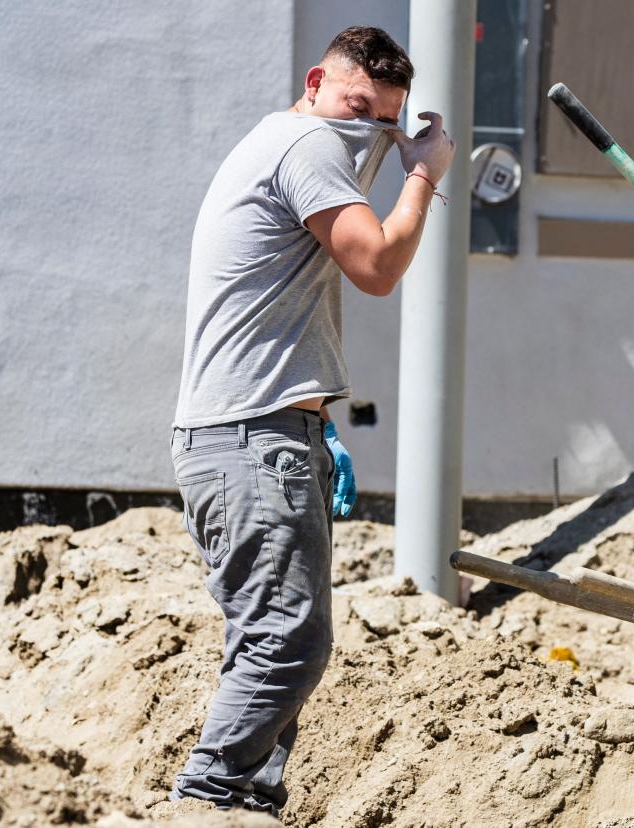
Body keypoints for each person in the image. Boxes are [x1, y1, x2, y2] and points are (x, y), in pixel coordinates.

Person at [168, 26, 454, 814]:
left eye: (386, 121)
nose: (369, 130)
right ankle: (208, 799)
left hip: (255, 436)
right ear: (317, 82)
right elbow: (377, 266)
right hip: (253, 442)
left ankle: (247, 803)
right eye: (358, 106)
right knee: (288, 644)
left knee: (264, 642)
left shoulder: (285, 142)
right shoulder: (307, 145)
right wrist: (423, 173)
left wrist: (316, 420)